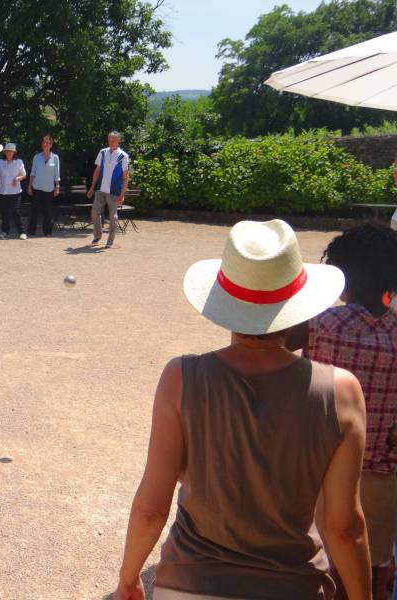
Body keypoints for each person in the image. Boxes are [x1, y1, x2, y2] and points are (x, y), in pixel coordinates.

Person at [114, 219, 371, 600]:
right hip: (293, 586)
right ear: (298, 306)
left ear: (225, 302)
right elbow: (344, 527)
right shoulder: (340, 391)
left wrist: (129, 577)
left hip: (189, 584)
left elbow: (152, 507)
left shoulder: (181, 377)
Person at [287, 223, 397, 600]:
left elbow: (272, 341)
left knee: (317, 562)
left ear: (342, 279)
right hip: (381, 474)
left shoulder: (320, 325)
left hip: (319, 471)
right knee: (373, 563)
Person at [86, 131, 129, 249]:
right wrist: (92, 187)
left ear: (118, 141)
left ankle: (110, 241)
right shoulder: (103, 152)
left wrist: (122, 194)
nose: (111, 142)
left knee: (113, 217)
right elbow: (97, 171)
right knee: (95, 213)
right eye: (110, 140)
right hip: (100, 189)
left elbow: (126, 177)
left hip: (114, 191)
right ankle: (97, 236)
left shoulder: (123, 156)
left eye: (114, 140)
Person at [27, 134, 60, 237]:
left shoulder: (55, 158)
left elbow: (57, 173)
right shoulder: (37, 157)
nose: (45, 144)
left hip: (49, 188)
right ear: (42, 144)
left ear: (51, 145)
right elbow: (32, 173)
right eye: (43, 142)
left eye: (47, 142)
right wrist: (29, 186)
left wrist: (57, 186)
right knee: (34, 210)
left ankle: (47, 232)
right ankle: (31, 231)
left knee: (48, 211)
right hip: (36, 187)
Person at [0, 142, 27, 240]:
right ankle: (5, 231)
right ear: (4, 152)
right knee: (4, 212)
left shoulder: (19, 162)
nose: (9, 153)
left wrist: (17, 178)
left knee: (15, 211)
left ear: (14, 152)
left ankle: (22, 232)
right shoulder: (0, 162)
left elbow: (24, 175)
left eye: (11, 151)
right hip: (2, 192)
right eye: (7, 151)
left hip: (15, 192)